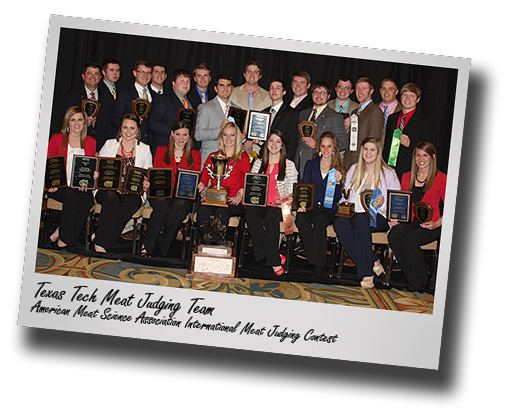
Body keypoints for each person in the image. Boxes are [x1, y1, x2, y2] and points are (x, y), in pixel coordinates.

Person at [333, 136, 401, 289]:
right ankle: (373, 261)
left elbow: (397, 200)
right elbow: (346, 195)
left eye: (372, 149)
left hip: (379, 217)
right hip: (354, 214)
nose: (368, 152)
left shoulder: (388, 173)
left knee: (362, 220)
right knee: (339, 223)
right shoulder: (354, 169)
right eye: (365, 149)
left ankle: (367, 273)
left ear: (378, 152)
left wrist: (386, 206)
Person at [388, 141, 446, 292]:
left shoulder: (441, 178)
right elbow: (402, 203)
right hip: (412, 221)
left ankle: (418, 282)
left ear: (432, 157)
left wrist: (438, 223)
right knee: (394, 234)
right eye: (418, 155)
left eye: (425, 155)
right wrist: (396, 217)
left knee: (410, 238)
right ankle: (416, 277)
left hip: (432, 225)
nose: (421, 159)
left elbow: (452, 207)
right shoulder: (407, 177)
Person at [92, 113, 152, 253]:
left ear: (138, 130)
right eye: (125, 127)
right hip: (108, 188)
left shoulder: (145, 149)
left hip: (132, 191)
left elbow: (148, 174)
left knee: (130, 203)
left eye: (132, 128)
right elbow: (99, 166)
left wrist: (146, 183)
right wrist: (97, 173)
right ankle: (101, 241)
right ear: (120, 128)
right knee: (112, 200)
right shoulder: (110, 144)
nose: (128, 131)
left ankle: (101, 236)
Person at [140, 121, 201, 257]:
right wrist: (149, 182)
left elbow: (195, 177)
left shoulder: (195, 154)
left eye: (184, 135)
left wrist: (199, 184)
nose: (181, 138)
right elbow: (155, 173)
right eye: (178, 134)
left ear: (189, 136)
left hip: (182, 195)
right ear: (172, 134)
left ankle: (162, 246)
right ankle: (147, 246)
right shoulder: (161, 150)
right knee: (162, 208)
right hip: (162, 192)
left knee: (178, 209)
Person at [244, 130, 298, 275]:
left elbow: (293, 188)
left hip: (279, 205)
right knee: (250, 215)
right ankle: (274, 255)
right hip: (260, 204)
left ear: (282, 146)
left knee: (271, 218)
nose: (274, 144)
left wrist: (290, 197)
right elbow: (252, 186)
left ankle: (272, 260)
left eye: (278, 141)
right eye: (271, 141)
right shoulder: (258, 163)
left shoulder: (289, 165)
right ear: (267, 144)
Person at [295, 132, 345, 280]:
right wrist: (302, 204)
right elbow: (305, 188)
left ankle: (317, 267)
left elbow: (337, 198)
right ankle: (324, 259)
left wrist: (337, 183)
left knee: (320, 220)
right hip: (311, 206)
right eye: (323, 146)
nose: (326, 149)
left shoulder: (338, 169)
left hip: (328, 209)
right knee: (300, 220)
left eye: (329, 146)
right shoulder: (311, 165)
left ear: (334, 148)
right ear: (319, 147)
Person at [45, 106, 97, 249]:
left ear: (85, 122)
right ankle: (65, 240)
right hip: (60, 186)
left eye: (80, 119)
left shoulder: (91, 142)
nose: (76, 123)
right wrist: (51, 182)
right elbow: (48, 162)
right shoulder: (57, 139)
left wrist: (91, 178)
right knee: (72, 197)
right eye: (72, 119)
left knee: (87, 200)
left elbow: (89, 167)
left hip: (78, 185)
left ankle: (62, 232)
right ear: (67, 122)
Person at [196, 122, 250, 240]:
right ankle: (208, 243)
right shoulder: (213, 156)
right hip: (214, 199)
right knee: (203, 211)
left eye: (232, 135)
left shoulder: (244, 158)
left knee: (222, 212)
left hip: (233, 201)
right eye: (225, 135)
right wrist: (203, 188)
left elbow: (246, 182)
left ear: (237, 137)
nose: (228, 139)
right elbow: (204, 176)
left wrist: (239, 197)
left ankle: (216, 245)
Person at [382, 82, 435, 180]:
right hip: (390, 167)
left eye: (412, 96)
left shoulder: (424, 121)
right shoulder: (392, 118)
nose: (407, 99)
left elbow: (429, 148)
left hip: (410, 168)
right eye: (405, 95)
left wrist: (411, 144)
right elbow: (386, 144)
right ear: (400, 97)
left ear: (418, 99)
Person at [60, 62, 115, 152]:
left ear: (100, 77)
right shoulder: (72, 96)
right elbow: (62, 119)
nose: (93, 76)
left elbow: (110, 123)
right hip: (77, 146)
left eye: (96, 74)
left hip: (101, 147)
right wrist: (78, 124)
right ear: (83, 76)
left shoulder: (108, 97)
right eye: (89, 73)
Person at [295, 81, 348, 177]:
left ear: (328, 96)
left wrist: (318, 145)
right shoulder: (303, 114)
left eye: (322, 92)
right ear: (311, 95)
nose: (318, 95)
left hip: (321, 166)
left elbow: (343, 143)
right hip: (300, 163)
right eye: (316, 92)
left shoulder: (335, 117)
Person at [195, 74, 240, 167]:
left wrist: (242, 137)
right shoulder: (205, 108)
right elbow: (198, 135)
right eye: (221, 85)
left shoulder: (238, 110)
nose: (225, 89)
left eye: (228, 85)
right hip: (211, 159)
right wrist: (221, 130)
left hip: (232, 161)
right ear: (216, 88)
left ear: (232, 88)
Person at [149, 69, 194, 156]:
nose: (185, 84)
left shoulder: (192, 102)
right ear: (173, 83)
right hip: (166, 148)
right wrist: (175, 134)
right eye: (182, 81)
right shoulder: (162, 99)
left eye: (188, 81)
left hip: (185, 150)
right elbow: (153, 123)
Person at [342, 77, 384, 170]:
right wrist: (346, 129)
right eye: (358, 88)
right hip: (349, 160)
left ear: (371, 91)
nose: (360, 92)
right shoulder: (354, 112)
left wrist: (367, 163)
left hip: (362, 162)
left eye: (364, 88)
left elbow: (374, 141)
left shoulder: (375, 112)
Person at [111, 60, 154, 148]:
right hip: (130, 143)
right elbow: (115, 119)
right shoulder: (125, 95)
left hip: (151, 143)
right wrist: (130, 123)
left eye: (148, 73)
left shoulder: (156, 97)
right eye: (142, 72)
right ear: (134, 73)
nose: (145, 76)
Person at [261, 79, 299, 162]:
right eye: (272, 88)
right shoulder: (263, 113)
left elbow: (292, 142)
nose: (274, 90)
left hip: (282, 159)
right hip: (264, 158)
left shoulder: (291, 113)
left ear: (284, 92)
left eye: (278, 88)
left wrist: (286, 162)